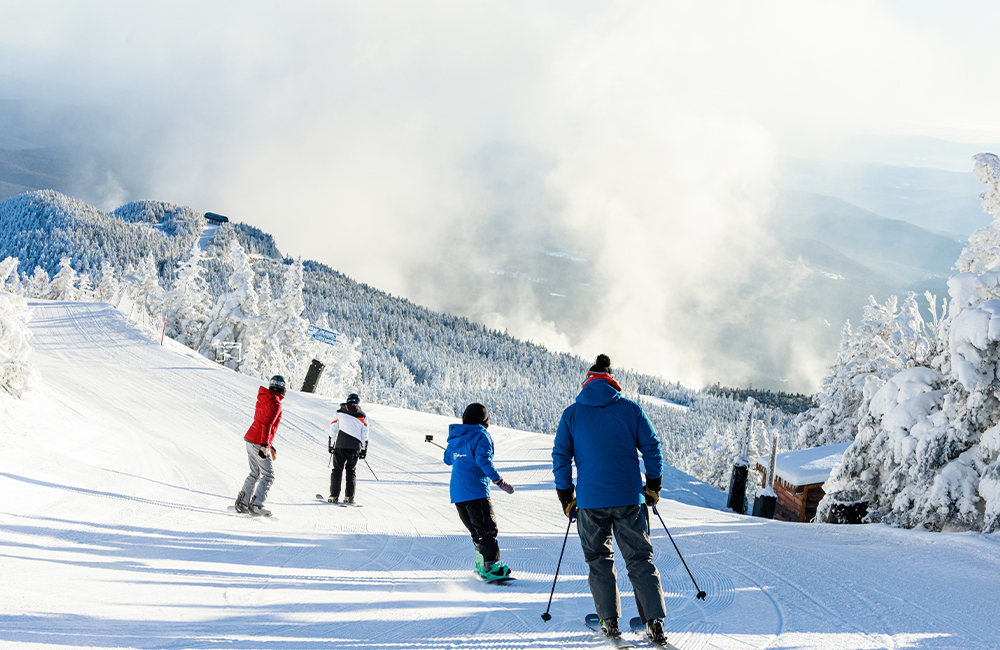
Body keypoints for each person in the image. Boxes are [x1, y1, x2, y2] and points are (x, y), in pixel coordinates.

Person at [552, 354, 669, 647]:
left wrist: (567, 497)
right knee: (640, 559)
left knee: (598, 559)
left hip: (590, 503)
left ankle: (610, 621)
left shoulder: (572, 414)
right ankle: (653, 623)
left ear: (588, 380)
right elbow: (652, 448)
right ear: (612, 379)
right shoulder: (630, 409)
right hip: (630, 498)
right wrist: (653, 485)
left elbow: (561, 458)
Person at [444, 403, 516, 582]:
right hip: (476, 491)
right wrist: (500, 481)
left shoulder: (455, 437)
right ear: (485, 420)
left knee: (477, 532)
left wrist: (458, 453)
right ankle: (492, 567)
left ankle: (481, 566)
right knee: (487, 530)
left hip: (458, 494)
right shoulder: (481, 435)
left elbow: (447, 460)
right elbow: (484, 461)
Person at [235, 375, 285, 516]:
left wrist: (269, 444)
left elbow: (262, 421)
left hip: (251, 438)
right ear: (282, 388)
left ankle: (243, 502)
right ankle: (257, 505)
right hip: (258, 442)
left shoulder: (264, 398)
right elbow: (267, 424)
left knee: (254, 473)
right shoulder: (276, 403)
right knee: (268, 475)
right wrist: (264, 445)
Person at [327, 393, 369, 505]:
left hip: (340, 445)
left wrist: (331, 445)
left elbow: (333, 428)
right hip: (355, 447)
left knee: (337, 470)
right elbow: (365, 434)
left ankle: (334, 496)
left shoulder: (339, 412)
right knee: (351, 471)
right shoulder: (363, 415)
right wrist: (364, 450)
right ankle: (349, 498)